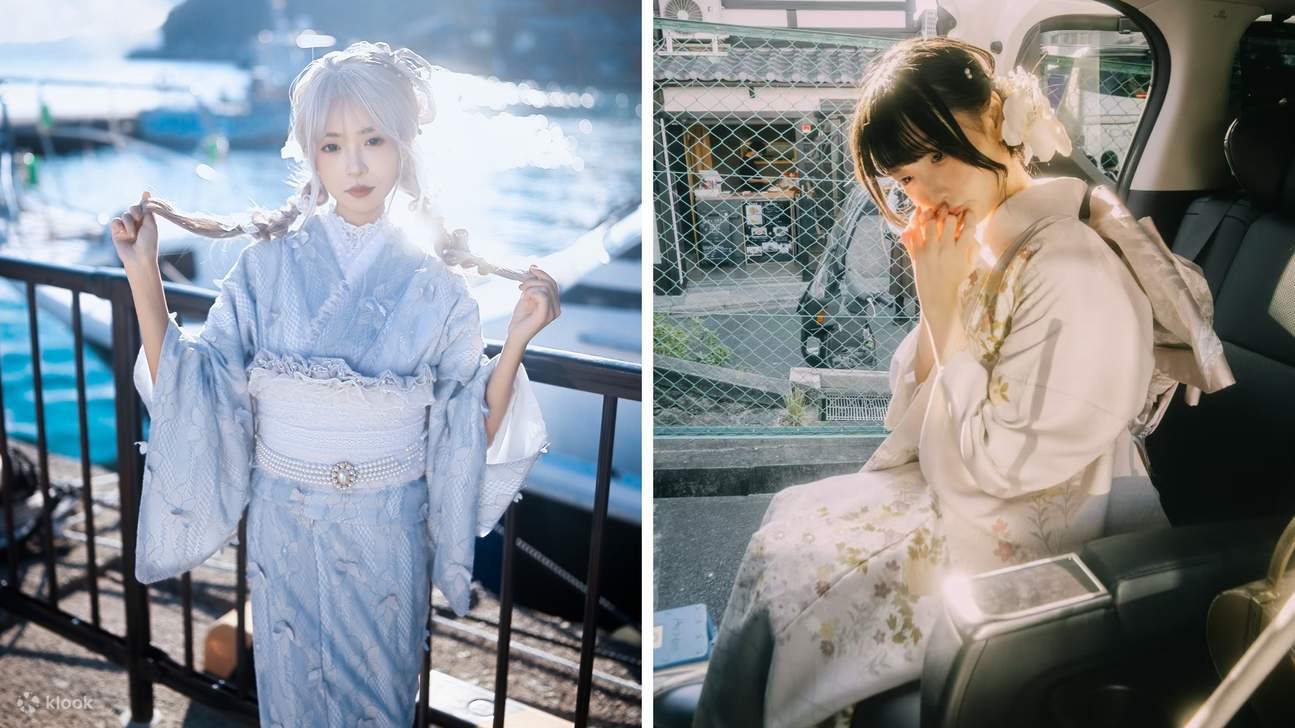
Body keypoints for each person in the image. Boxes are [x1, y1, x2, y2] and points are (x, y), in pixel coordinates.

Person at [693, 37, 1223, 728]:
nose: (927, 187)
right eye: (906, 176)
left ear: (996, 114)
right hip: (973, 485)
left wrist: (942, 307)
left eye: (938, 153)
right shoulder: (993, 245)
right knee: (789, 520)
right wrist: (936, 296)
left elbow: (1005, 465)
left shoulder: (1069, 265)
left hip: (1045, 516)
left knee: (800, 565)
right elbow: (917, 401)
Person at [109, 41, 559, 727]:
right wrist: (144, 273)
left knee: (381, 702)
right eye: (331, 144)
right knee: (290, 699)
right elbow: (195, 389)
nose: (354, 163)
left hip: (390, 527)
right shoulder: (265, 267)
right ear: (309, 153)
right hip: (285, 518)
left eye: (373, 139)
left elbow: (468, 427)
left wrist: (520, 337)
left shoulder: (437, 285)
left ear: (403, 144)